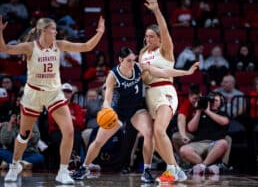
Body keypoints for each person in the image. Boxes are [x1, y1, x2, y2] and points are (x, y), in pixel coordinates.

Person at [0, 14, 105, 184]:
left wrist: (100, 32)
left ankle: (62, 171)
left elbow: (86, 46)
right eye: (52, 30)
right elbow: (4, 49)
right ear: (42, 31)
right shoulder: (30, 47)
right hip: (33, 93)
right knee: (24, 135)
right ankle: (14, 165)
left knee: (69, 131)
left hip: (54, 93)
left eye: (56, 30)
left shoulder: (59, 45)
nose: (56, 33)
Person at [72, 46, 198, 182]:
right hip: (119, 111)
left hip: (136, 109)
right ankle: (84, 167)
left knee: (149, 133)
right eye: (128, 61)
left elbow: (163, 72)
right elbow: (107, 98)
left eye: (133, 60)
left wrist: (186, 72)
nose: (132, 63)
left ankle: (147, 170)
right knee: (98, 141)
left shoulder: (139, 67)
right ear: (120, 60)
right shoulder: (113, 75)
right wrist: (107, 109)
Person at [139, 0, 190, 182]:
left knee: (160, 131)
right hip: (149, 95)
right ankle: (177, 169)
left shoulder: (165, 50)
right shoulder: (143, 54)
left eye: (152, 36)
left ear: (160, 39)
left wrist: (156, 11)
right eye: (146, 37)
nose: (148, 40)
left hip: (165, 92)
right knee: (154, 136)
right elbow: (144, 77)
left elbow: (165, 30)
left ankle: (171, 171)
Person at [179, 92, 230, 175]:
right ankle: (207, 167)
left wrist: (208, 111)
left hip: (215, 143)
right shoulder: (199, 114)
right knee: (183, 150)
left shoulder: (223, 114)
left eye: (216, 100)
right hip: (199, 143)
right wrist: (199, 111)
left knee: (223, 143)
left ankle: (202, 166)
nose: (213, 102)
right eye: (211, 100)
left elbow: (224, 122)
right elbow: (191, 128)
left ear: (221, 102)